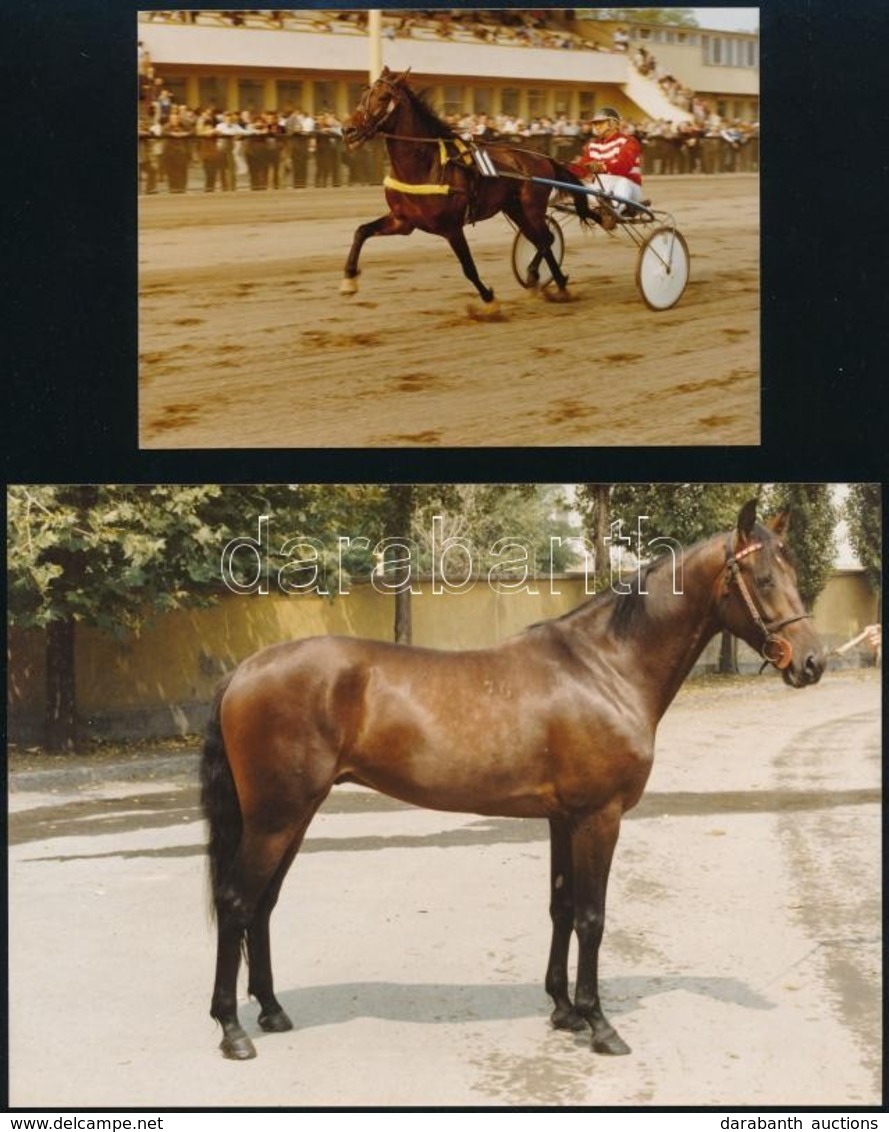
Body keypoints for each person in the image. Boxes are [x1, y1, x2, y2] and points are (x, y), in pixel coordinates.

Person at [569, 106, 643, 226]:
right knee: (580, 188)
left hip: (630, 190)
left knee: (622, 182)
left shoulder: (629, 141)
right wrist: (563, 168)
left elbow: (623, 167)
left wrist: (602, 167)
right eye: (595, 124)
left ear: (613, 123)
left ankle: (612, 213)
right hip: (603, 191)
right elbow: (581, 170)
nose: (596, 127)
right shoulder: (593, 146)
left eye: (600, 123)